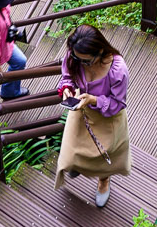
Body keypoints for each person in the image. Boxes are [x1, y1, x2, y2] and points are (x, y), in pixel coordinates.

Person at [54, 24, 131, 207]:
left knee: (103, 154)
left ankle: (104, 180)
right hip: (82, 108)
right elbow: (67, 76)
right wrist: (67, 89)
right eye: (77, 58)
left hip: (108, 116)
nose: (81, 64)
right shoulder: (75, 55)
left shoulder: (117, 70)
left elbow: (118, 104)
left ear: (101, 51)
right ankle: (79, 166)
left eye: (87, 61)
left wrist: (94, 100)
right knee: (72, 150)